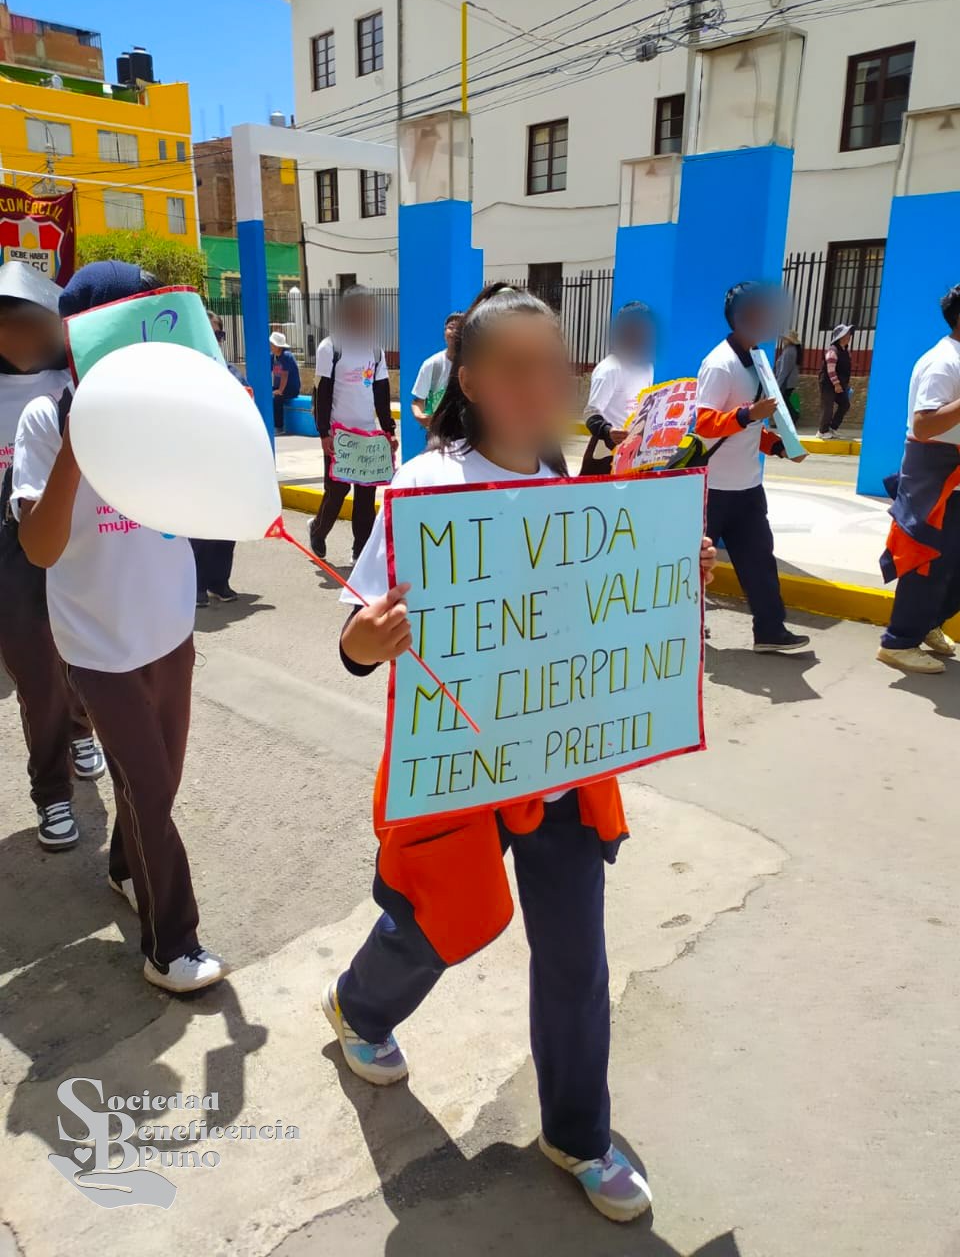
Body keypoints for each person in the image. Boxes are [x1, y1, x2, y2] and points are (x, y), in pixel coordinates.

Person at [325, 283, 717, 1225]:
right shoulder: (421, 486)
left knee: (576, 957)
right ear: (469, 379)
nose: (541, 387)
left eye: (555, 369)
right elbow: (355, 634)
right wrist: (370, 639)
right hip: (459, 768)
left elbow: (597, 629)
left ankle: (577, 1133)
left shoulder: (577, 488)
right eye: (516, 369)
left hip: (565, 763)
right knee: (438, 918)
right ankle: (360, 1008)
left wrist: (673, 577)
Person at [10, 260, 226, 993]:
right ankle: (171, 945)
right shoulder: (45, 418)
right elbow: (39, 547)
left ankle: (122, 868)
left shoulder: (166, 416)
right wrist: (79, 442)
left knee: (153, 787)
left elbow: (208, 502)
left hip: (170, 631)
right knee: (147, 790)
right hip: (99, 646)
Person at [0, 261, 106, 851]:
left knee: (87, 661)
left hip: (80, 537)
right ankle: (52, 792)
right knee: (38, 676)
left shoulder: (72, 377)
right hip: (11, 549)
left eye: (31, 321)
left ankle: (80, 727)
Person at [695, 281, 811, 654]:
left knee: (760, 559)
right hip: (712, 489)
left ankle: (770, 631)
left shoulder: (757, 359)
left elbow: (749, 429)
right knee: (696, 566)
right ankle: (686, 629)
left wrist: (779, 446)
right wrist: (748, 414)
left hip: (747, 486)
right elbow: (704, 425)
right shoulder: (719, 364)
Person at [877, 284, 960, 675]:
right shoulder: (943, 362)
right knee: (927, 563)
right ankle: (899, 641)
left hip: (954, 477)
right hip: (937, 477)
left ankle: (928, 625)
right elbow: (924, 425)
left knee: (953, 567)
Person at [309, 286, 396, 561]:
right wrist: (324, 433)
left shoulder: (375, 349)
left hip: (368, 436)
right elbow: (322, 392)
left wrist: (388, 431)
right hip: (339, 434)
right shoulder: (332, 347)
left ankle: (361, 552)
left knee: (366, 497)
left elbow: (381, 393)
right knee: (336, 491)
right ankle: (318, 530)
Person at [192, 310, 240, 608]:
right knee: (197, 528)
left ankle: (219, 581)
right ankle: (196, 583)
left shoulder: (231, 372)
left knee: (225, 528)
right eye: (207, 333)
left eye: (218, 335)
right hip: (195, 464)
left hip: (227, 463)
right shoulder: (182, 373)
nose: (214, 340)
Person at [581, 301, 655, 475]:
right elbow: (590, 414)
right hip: (606, 455)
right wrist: (608, 432)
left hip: (637, 453)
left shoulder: (647, 366)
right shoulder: (610, 368)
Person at [410, 311, 463, 427]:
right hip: (440, 434)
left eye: (460, 328)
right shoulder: (432, 364)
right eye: (451, 327)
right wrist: (421, 416)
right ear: (444, 333)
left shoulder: (474, 365)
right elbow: (418, 401)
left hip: (468, 435)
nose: (454, 332)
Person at [818, 324, 854, 439]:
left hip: (840, 384)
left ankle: (832, 428)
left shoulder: (846, 351)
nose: (849, 336)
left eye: (849, 334)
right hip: (829, 384)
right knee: (828, 406)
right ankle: (822, 431)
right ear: (840, 337)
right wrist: (836, 384)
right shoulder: (833, 351)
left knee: (845, 404)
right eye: (846, 334)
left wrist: (845, 384)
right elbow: (831, 370)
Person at [270, 330, 301, 436]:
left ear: (278, 346)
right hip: (279, 386)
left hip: (290, 388)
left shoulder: (286, 356)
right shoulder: (272, 357)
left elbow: (284, 375)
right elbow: (267, 371)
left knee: (277, 399)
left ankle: (279, 427)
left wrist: (279, 391)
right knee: (267, 394)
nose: (270, 346)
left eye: (272, 344)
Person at [774, 329, 803, 425]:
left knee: (782, 402)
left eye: (785, 339)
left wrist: (777, 385)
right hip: (789, 382)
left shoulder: (789, 351)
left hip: (786, 383)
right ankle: (789, 419)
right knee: (784, 401)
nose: (783, 341)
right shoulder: (792, 350)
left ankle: (793, 417)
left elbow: (784, 370)